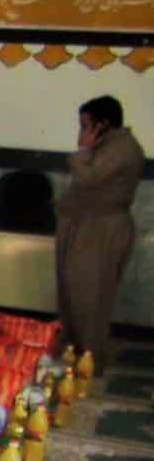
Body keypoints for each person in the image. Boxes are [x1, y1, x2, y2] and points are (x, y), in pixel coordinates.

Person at [55, 94, 143, 367]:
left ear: (102, 125)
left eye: (85, 126)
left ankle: (89, 364)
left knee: (90, 299)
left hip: (103, 230)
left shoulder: (124, 148)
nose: (81, 133)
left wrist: (84, 150)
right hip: (84, 226)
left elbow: (88, 177)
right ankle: (73, 357)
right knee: (71, 295)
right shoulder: (106, 146)